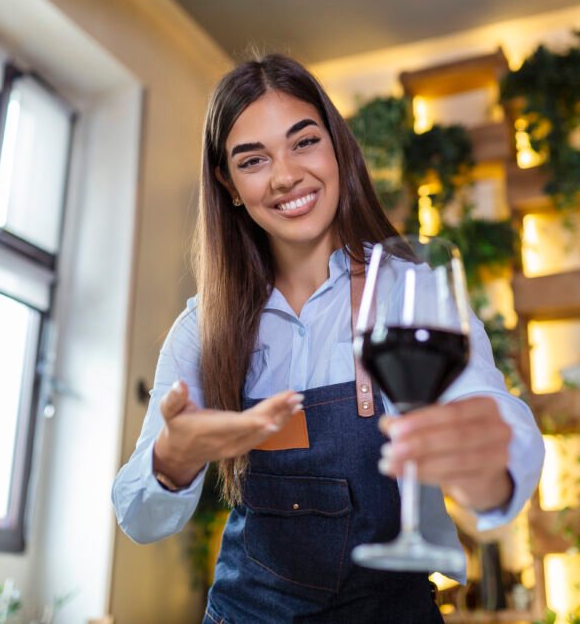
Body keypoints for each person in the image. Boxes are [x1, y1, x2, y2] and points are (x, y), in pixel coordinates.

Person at [112, 53, 544, 622]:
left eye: (304, 142)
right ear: (230, 185)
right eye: (253, 160)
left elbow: (490, 409)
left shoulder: (410, 291)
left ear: (337, 147)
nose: (286, 175)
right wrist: (172, 459)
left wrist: (487, 470)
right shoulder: (204, 327)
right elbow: (138, 517)